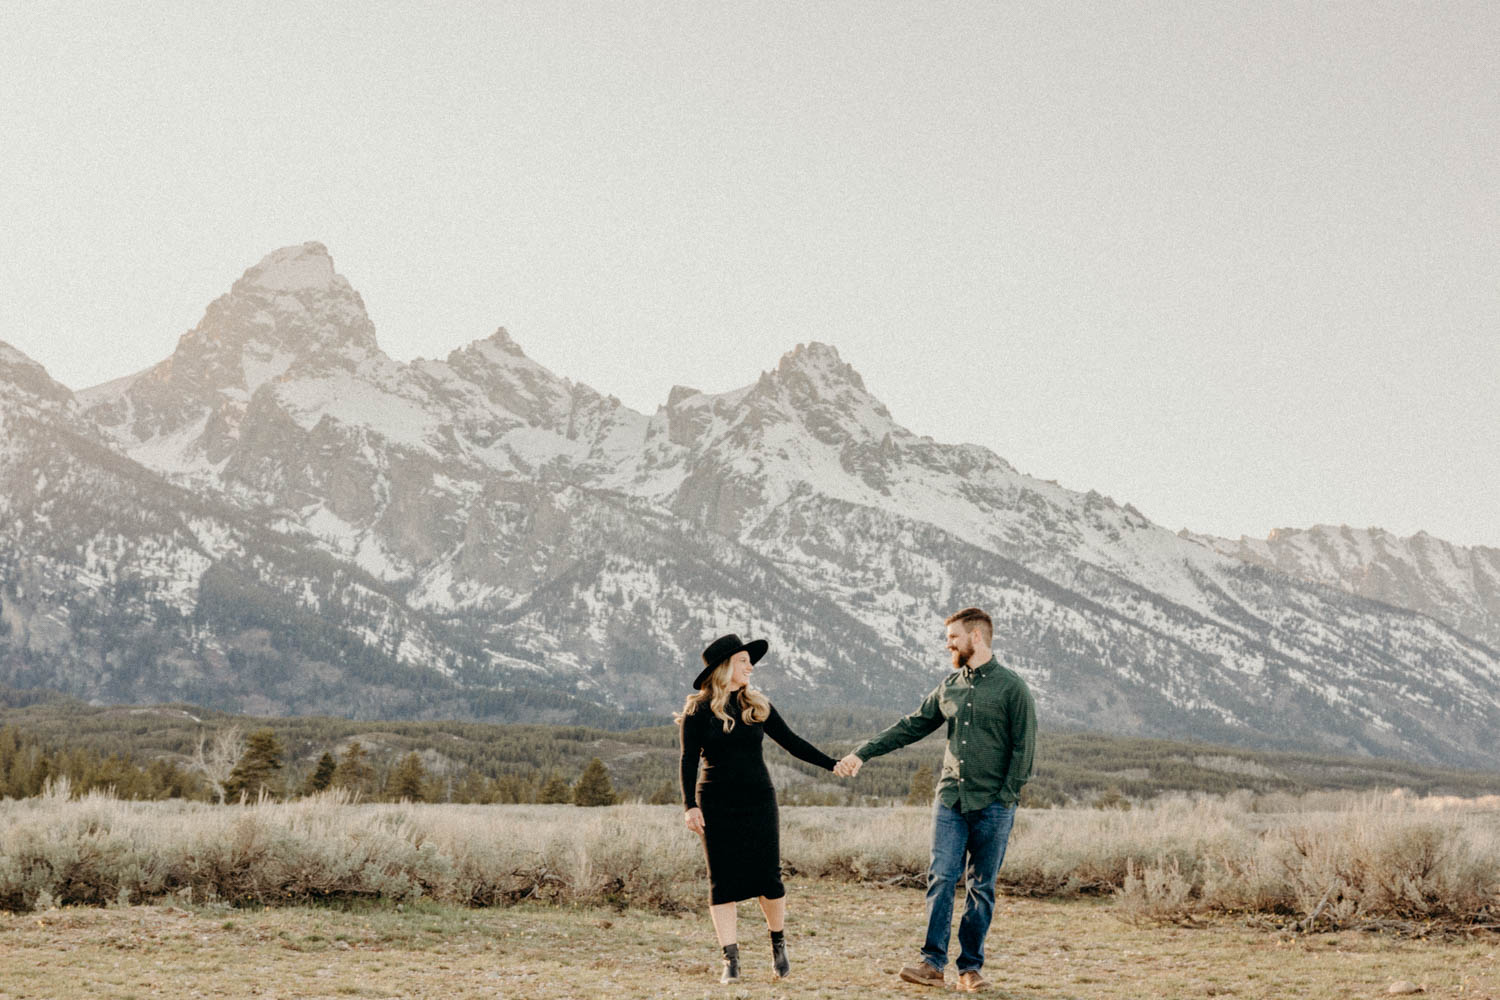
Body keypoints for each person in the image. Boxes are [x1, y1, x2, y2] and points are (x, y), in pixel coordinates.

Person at [835, 607, 1036, 994]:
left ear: (976, 637)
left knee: (982, 887)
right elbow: (911, 725)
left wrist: (1007, 797)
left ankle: (970, 969)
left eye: (954, 638)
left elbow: (1024, 750)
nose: (948, 645)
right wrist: (863, 753)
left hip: (994, 805)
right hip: (951, 800)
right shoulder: (950, 686)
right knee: (942, 876)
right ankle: (931, 964)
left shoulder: (1013, 688)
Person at [677, 632, 840, 984]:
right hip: (716, 801)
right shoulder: (698, 709)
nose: (751, 667)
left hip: (758, 800)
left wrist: (832, 764)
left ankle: (778, 944)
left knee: (769, 878)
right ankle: (730, 960)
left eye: (750, 662)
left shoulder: (758, 705)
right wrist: (690, 806)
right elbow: (689, 760)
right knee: (721, 882)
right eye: (743, 661)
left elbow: (793, 743)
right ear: (725, 667)